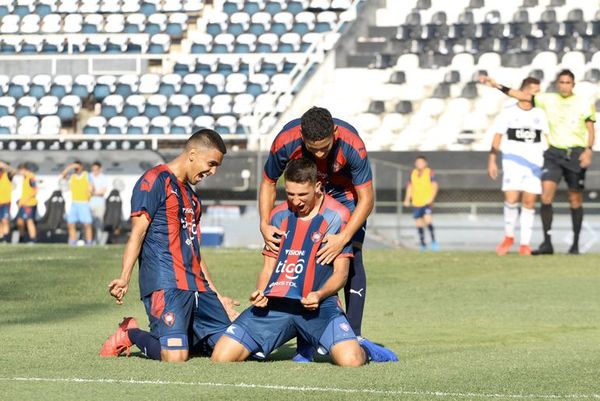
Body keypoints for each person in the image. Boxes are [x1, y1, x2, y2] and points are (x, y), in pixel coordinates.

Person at [211, 158, 398, 366]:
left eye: (302, 195)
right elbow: (268, 268)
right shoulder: (279, 215)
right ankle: (290, 339)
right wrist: (261, 292)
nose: (296, 201)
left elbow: (341, 274)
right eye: (290, 194)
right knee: (221, 357)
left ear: (318, 187)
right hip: (277, 305)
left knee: (351, 360)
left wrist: (319, 294)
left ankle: (366, 350)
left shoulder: (338, 216)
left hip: (319, 307)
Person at [100, 129, 239, 363]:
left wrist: (216, 295)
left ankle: (181, 335)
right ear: (192, 154)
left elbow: (195, 250)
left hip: (198, 288)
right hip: (166, 284)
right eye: (211, 163)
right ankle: (131, 333)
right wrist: (125, 277)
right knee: (175, 357)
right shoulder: (154, 180)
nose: (213, 171)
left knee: (232, 349)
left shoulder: (192, 198)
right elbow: (137, 233)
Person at [260, 107, 373, 361]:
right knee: (304, 256)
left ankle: (354, 335)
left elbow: (367, 198)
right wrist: (264, 223)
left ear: (335, 132)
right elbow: (268, 182)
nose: (320, 153)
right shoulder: (285, 141)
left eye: (325, 147)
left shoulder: (353, 144)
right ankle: (308, 340)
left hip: (346, 198)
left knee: (350, 255)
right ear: (302, 136)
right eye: (313, 148)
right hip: (309, 194)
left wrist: (343, 238)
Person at [481, 70, 596, 254]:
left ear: (573, 85)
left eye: (568, 82)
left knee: (574, 198)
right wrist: (497, 85)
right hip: (553, 155)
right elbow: (521, 95)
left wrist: (589, 150)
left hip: (574, 153)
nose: (564, 85)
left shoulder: (583, 103)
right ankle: (546, 243)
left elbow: (590, 128)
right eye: (562, 82)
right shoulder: (547, 100)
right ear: (557, 84)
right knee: (545, 196)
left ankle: (575, 244)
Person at [487, 77, 550, 256]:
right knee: (511, 199)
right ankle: (508, 236)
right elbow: (497, 136)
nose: (536, 95)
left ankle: (525, 243)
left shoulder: (540, 113)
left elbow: (547, 136)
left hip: (535, 164)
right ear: (523, 92)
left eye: (538, 92)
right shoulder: (508, 112)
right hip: (512, 163)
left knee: (529, 202)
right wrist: (492, 159)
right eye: (533, 92)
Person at [403, 156, 439, 251]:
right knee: (419, 224)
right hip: (416, 203)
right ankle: (423, 244)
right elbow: (409, 187)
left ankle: (434, 241)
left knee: (428, 221)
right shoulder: (413, 173)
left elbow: (434, 185)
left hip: (426, 202)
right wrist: (407, 199)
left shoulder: (429, 172)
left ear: (425, 163)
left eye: (421, 162)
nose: (419, 164)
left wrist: (431, 198)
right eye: (417, 162)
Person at [60, 161, 93, 246]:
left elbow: (92, 187)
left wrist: (90, 191)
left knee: (87, 224)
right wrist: (70, 167)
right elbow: (63, 175)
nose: (76, 169)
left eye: (77, 167)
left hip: (84, 203)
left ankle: (89, 242)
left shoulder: (86, 175)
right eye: (75, 168)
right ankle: (73, 241)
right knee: (71, 223)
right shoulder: (73, 176)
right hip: (74, 203)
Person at [16, 163, 37, 243]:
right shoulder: (25, 178)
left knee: (29, 221)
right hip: (23, 203)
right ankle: (21, 238)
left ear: (24, 170)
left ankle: (33, 239)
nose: (20, 173)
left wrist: (26, 199)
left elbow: (35, 190)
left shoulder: (31, 177)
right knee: (19, 221)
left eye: (20, 171)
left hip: (30, 204)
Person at [89, 161, 109, 244]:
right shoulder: (88, 176)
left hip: (100, 204)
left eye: (96, 169)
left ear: (100, 169)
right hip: (89, 203)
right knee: (89, 223)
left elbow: (102, 191)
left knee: (99, 223)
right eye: (93, 169)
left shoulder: (103, 177)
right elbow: (88, 189)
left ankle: (100, 241)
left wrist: (93, 192)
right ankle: (90, 240)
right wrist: (94, 192)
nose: (94, 171)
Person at [0, 161, 15, 243]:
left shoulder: (7, 175)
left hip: (5, 202)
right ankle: (1, 237)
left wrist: (4, 165)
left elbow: (14, 171)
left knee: (4, 220)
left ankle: (6, 238)